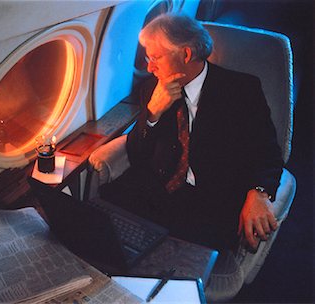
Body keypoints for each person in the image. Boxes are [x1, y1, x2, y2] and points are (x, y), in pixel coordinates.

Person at [100, 13, 283, 253]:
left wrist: (259, 193)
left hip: (209, 200)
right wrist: (153, 114)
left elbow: (267, 153)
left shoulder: (241, 90)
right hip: (156, 191)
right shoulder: (152, 88)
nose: (149, 67)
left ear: (186, 54)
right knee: (99, 225)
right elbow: (136, 154)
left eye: (156, 57)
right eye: (147, 57)